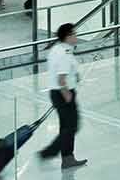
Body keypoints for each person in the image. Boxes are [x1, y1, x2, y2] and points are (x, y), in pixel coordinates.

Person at [37, 22, 87, 168]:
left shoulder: (58, 49)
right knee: (72, 126)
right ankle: (49, 153)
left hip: (56, 93)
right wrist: (66, 93)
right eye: (74, 34)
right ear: (67, 36)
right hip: (63, 93)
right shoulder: (65, 53)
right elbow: (61, 78)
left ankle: (67, 158)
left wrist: (75, 75)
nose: (76, 36)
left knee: (66, 127)